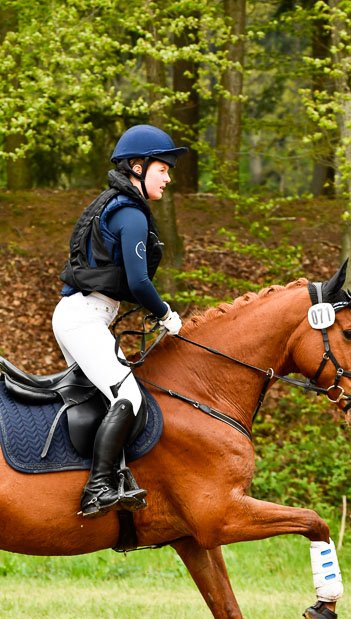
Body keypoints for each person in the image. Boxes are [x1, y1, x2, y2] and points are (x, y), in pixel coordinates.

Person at [53, 124, 188, 519]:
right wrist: (165, 314)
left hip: (84, 316)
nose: (169, 177)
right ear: (137, 166)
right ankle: (96, 490)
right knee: (128, 398)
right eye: (162, 168)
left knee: (104, 399)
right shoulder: (130, 213)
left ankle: (107, 479)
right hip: (84, 319)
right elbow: (138, 281)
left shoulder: (115, 204)